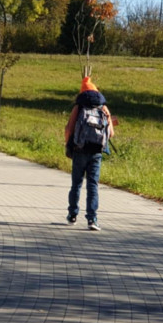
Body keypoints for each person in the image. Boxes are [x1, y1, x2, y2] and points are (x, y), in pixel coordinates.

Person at [64, 75, 114, 230]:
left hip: (80, 150)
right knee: (93, 185)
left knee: (76, 184)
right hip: (96, 152)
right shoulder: (103, 108)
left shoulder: (78, 107)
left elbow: (69, 129)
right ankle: (92, 219)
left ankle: (73, 215)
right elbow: (110, 133)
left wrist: (69, 145)